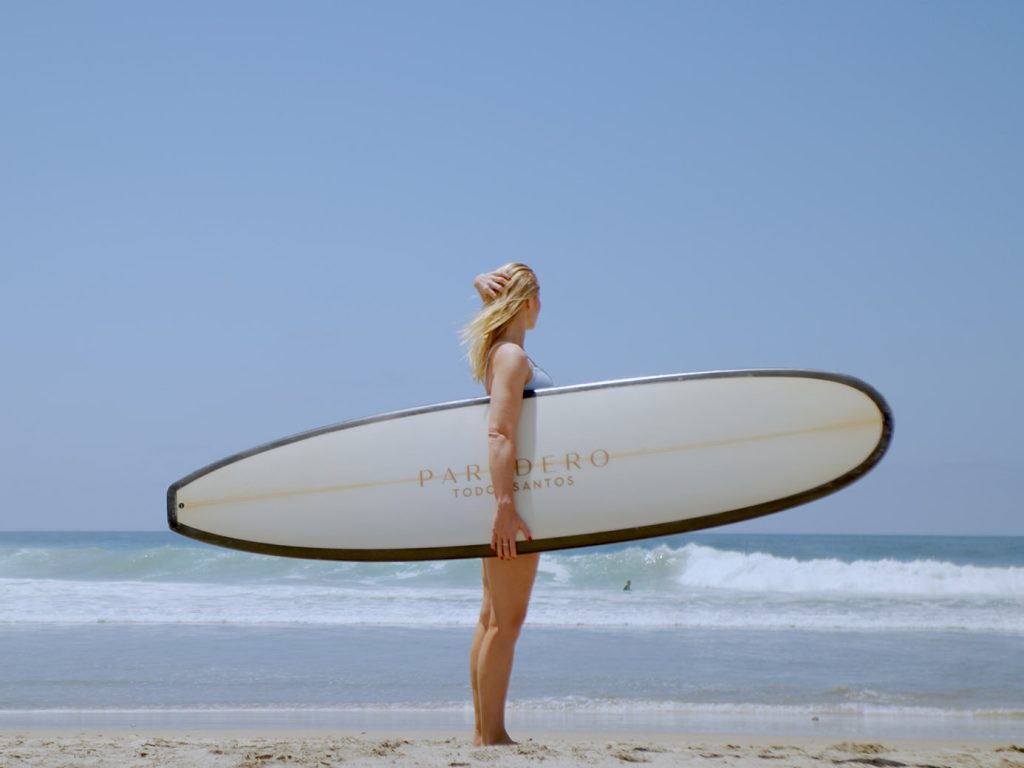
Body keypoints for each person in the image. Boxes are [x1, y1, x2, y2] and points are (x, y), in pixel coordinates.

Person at [463, 263, 550, 746]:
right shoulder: (512, 356)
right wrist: (505, 507)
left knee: (491, 617)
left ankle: (484, 732)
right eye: (541, 297)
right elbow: (498, 432)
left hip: (503, 501)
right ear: (528, 301)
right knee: (506, 621)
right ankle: (492, 735)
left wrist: (481, 287)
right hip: (513, 505)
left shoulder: (497, 352)